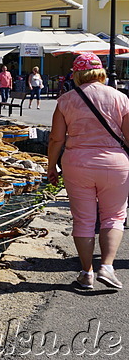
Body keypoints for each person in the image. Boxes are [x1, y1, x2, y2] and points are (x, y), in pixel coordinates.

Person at [47, 52, 129, 290]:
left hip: (77, 163)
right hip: (115, 164)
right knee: (114, 216)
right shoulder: (120, 98)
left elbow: (55, 139)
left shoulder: (65, 100)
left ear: (76, 74)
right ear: (100, 72)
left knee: (83, 219)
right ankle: (107, 266)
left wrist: (51, 167)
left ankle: (87, 273)